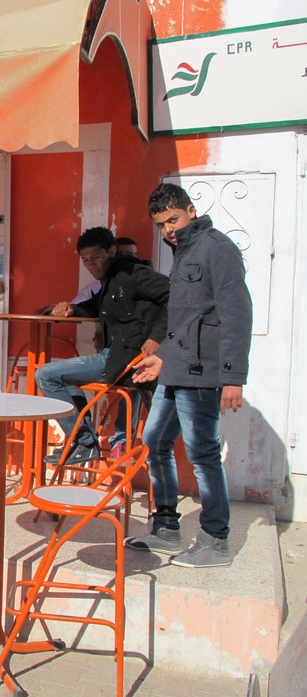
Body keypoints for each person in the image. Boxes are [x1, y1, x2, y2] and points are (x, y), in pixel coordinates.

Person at [126, 183, 253, 569]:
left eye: (174, 219)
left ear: (191, 210)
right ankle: (166, 527)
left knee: (202, 453)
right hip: (177, 368)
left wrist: (233, 376)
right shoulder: (182, 252)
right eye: (162, 224)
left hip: (203, 372)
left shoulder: (218, 248)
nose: (169, 229)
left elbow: (236, 313)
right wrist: (161, 357)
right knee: (154, 440)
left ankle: (216, 540)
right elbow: (186, 321)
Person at [35, 226, 170, 464]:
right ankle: (84, 441)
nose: (91, 265)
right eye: (86, 260)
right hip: (116, 357)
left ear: (112, 250)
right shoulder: (112, 279)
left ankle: (84, 442)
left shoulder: (132, 273)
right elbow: (95, 305)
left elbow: (176, 295)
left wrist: (156, 338)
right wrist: (71, 309)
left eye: (96, 257)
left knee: (46, 374)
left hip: (124, 361)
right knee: (57, 376)